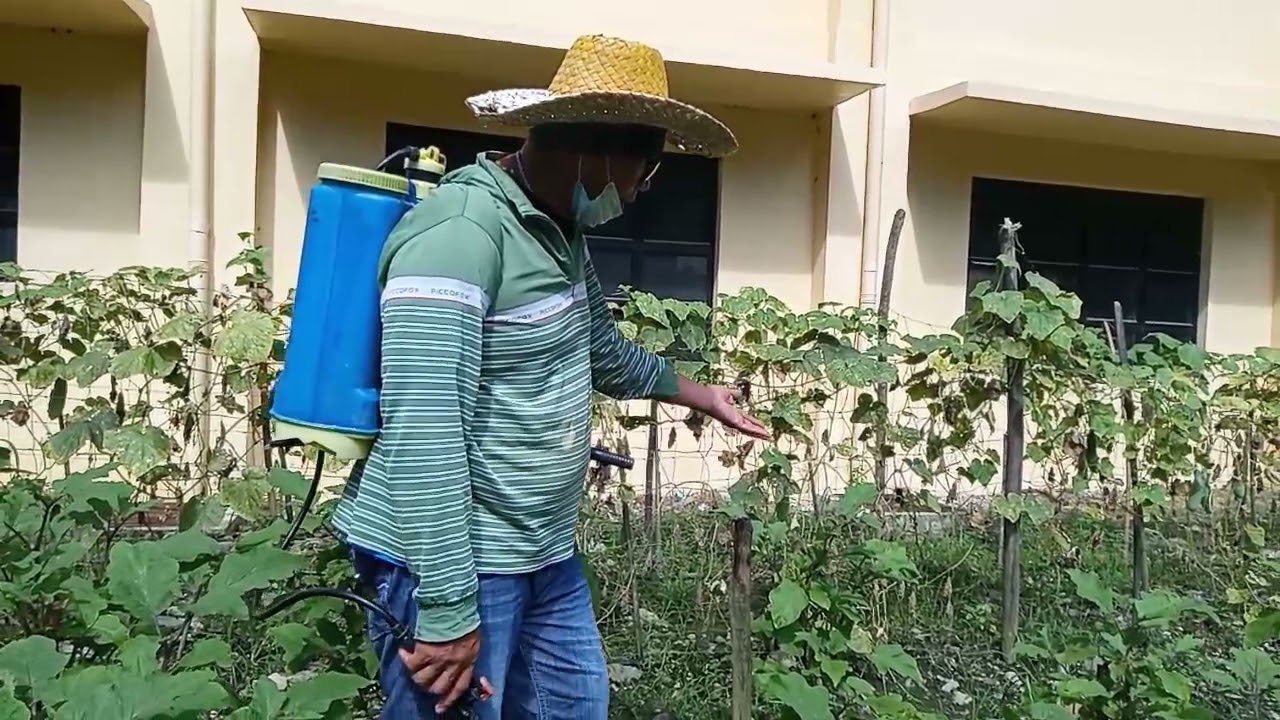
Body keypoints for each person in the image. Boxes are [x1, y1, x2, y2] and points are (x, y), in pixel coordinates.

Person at [330, 34, 769, 719]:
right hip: (457, 559)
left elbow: (598, 347)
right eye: (645, 171)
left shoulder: (558, 230)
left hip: (541, 550)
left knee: (574, 705)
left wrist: (700, 395)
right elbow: (424, 428)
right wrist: (447, 608)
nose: (641, 191)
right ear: (597, 153)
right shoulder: (462, 234)